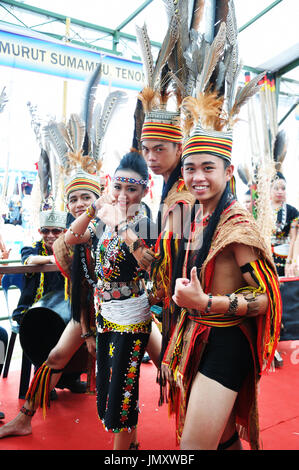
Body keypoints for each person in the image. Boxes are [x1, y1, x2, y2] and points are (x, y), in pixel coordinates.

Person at [159, 72, 282, 449]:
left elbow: (265, 298)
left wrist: (206, 302)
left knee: (193, 448)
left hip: (227, 342)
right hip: (194, 336)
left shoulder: (237, 226)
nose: (197, 177)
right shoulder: (188, 216)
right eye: (190, 168)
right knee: (224, 441)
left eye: (208, 168)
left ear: (228, 171)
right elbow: (160, 263)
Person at [64, 152, 157, 450]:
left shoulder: (145, 223)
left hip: (132, 319)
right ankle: (131, 445)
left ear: (145, 190)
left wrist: (120, 224)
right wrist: (95, 207)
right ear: (110, 185)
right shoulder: (102, 218)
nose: (123, 195)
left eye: (132, 189)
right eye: (118, 186)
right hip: (105, 315)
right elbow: (71, 237)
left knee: (122, 391)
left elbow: (149, 264)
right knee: (108, 386)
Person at [0, 170, 101, 439]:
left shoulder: (112, 229)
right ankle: (24, 418)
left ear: (99, 199)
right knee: (55, 357)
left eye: (87, 197)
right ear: (68, 206)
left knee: (161, 361)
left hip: (126, 312)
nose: (80, 203)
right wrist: (88, 328)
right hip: (87, 311)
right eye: (74, 199)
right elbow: (77, 281)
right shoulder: (74, 237)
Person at [270, 172, 298, 277]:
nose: (280, 191)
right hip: (266, 256)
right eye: (276, 188)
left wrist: (289, 261)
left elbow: (293, 238)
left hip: (284, 256)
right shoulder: (261, 211)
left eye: (283, 188)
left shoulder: (292, 211)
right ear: (269, 189)